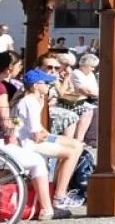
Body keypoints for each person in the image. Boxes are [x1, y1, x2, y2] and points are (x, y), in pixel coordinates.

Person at [0, 52, 63, 219]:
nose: (19, 69)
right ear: (9, 68)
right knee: (37, 161)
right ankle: (47, 209)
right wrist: (16, 128)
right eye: (18, 66)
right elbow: (6, 121)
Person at [13, 69, 86, 208]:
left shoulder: (28, 100)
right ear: (35, 85)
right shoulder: (31, 102)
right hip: (30, 143)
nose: (49, 86)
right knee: (71, 153)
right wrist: (51, 138)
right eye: (46, 83)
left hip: (30, 139)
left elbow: (37, 129)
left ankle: (58, 191)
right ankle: (60, 196)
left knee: (77, 145)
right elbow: (36, 134)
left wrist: (52, 137)